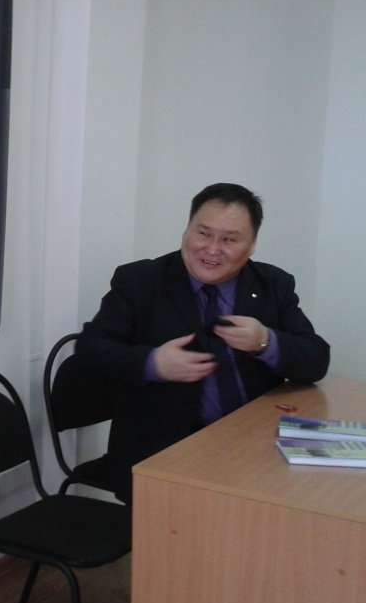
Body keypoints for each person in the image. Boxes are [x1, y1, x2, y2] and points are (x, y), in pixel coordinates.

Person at [77, 183, 330, 504]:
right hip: (165, 449)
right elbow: (90, 350)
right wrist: (153, 364)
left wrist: (265, 341)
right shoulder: (141, 281)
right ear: (186, 231)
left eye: (229, 239)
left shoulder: (272, 284)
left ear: (252, 244)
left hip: (252, 444)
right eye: (203, 233)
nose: (212, 249)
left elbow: (316, 360)